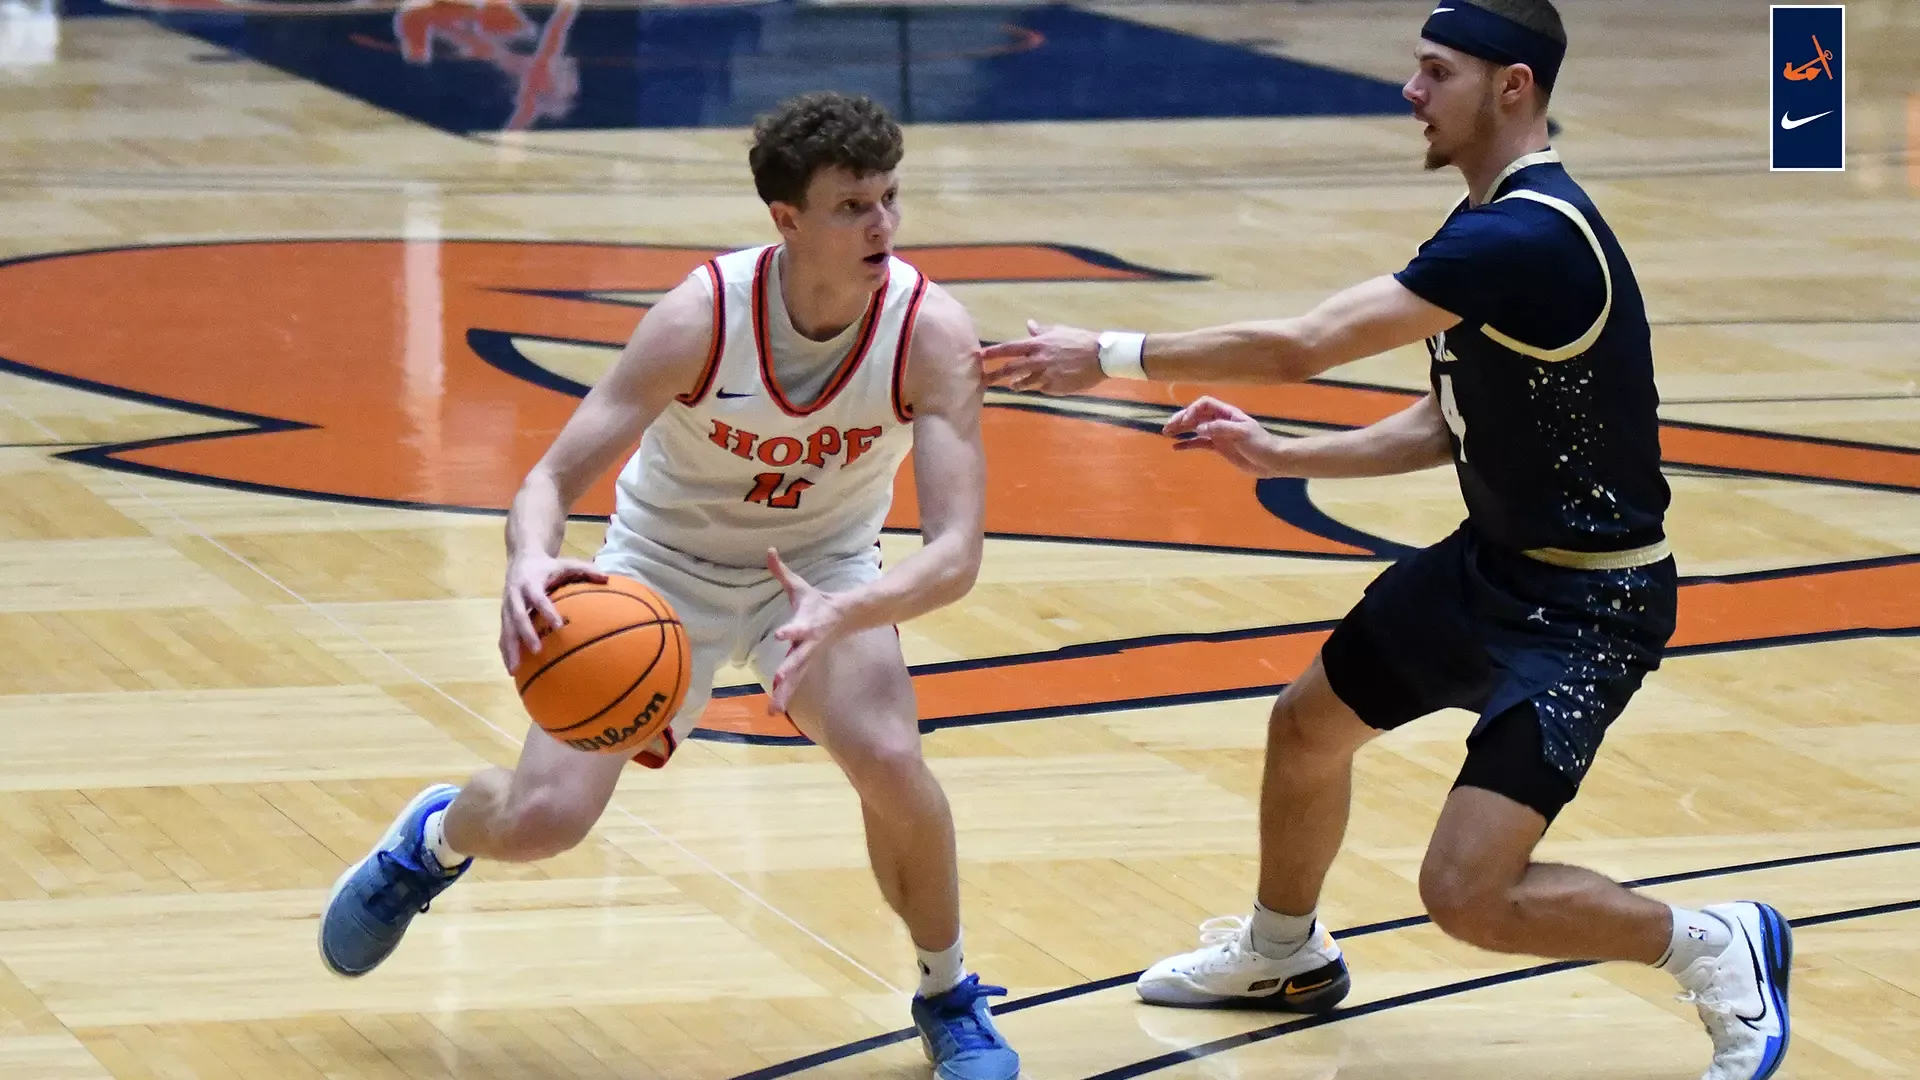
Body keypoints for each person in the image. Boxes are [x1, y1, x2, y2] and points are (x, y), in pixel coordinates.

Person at [977, 3, 1789, 1078]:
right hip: (1489, 570)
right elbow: (1450, 420)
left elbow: (1305, 341)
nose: (1410, 91)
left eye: (1434, 72)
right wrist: (1282, 459)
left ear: (1511, 87)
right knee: (1308, 727)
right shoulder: (1491, 223)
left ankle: (1712, 944)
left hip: (1589, 608)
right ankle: (1285, 954)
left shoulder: (1529, 233)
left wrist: (1113, 352)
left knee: (1467, 897)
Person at [320, 90, 1020, 1080]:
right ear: (788, 220)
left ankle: (949, 993)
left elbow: (956, 554)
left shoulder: (930, 332)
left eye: (891, 199)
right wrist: (529, 559)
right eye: (853, 206)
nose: (884, 226)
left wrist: (848, 607)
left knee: (892, 761)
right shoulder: (701, 316)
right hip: (660, 567)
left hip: (817, 573)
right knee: (544, 821)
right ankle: (428, 843)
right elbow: (550, 480)